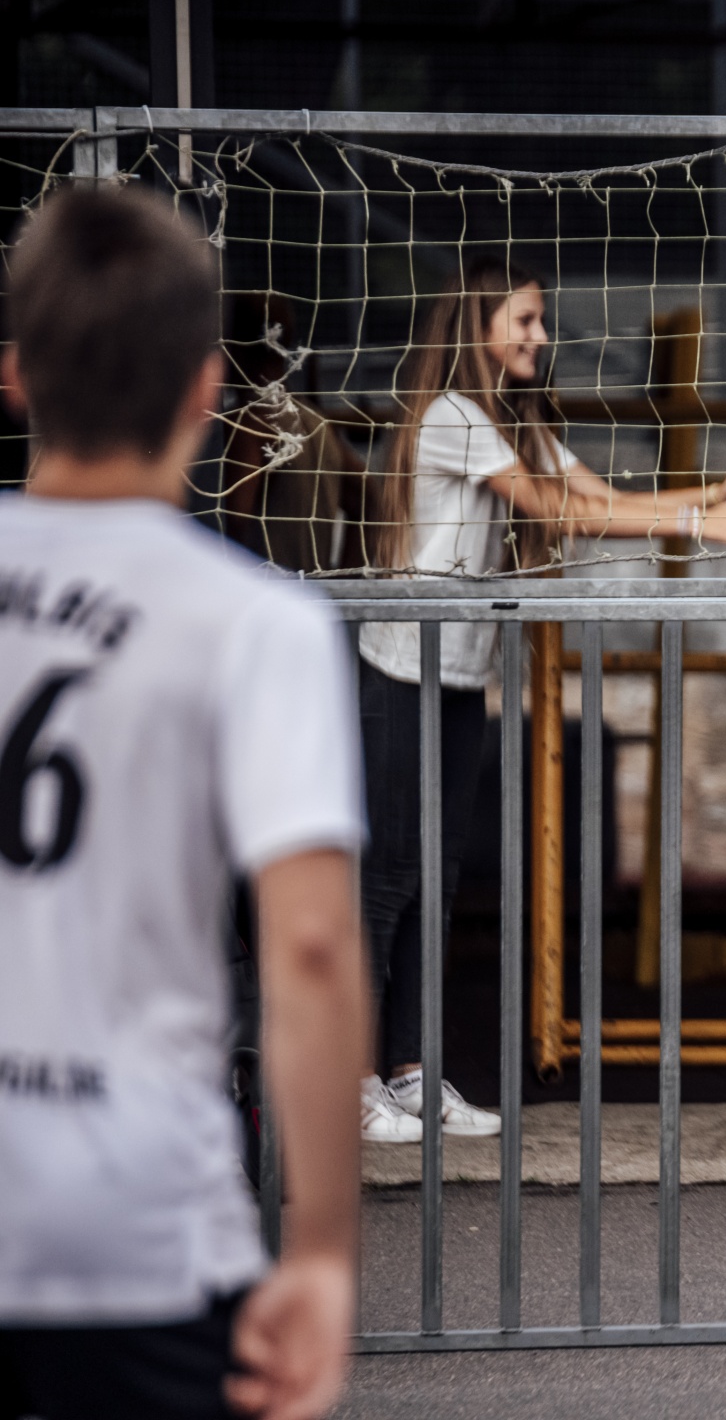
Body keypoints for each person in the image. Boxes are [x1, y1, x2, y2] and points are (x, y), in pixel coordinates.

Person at [0, 187, 368, 1418]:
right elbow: (309, 944)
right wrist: (321, 1250)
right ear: (208, 390)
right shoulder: (257, 621)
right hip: (136, 1210)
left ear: (17, 376)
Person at [353, 257, 726, 1143]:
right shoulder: (453, 415)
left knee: (435, 881)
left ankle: (411, 1073)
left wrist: (717, 493)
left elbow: (600, 496)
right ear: (478, 323)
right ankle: (350, 1079)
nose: (541, 335)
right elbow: (558, 513)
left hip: (456, 676)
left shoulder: (513, 424)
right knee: (388, 880)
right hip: (399, 672)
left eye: (540, 319)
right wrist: (698, 523)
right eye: (524, 319)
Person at [214, 292, 369, 574]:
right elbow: (370, 499)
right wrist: (342, 582)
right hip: (305, 591)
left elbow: (232, 525)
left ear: (232, 346)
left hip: (260, 590)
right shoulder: (315, 421)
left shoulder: (249, 423)